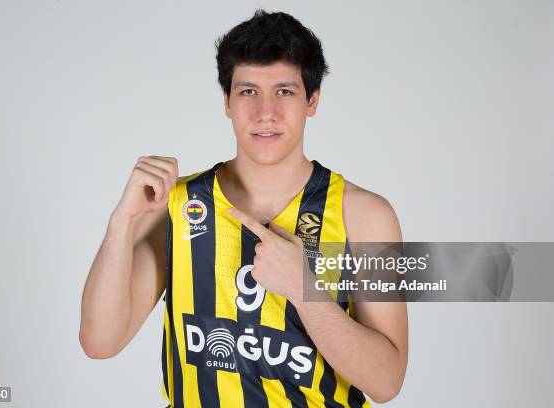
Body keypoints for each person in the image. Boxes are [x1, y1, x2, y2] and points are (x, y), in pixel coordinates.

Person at [79, 9, 408, 407]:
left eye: (284, 91)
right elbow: (99, 342)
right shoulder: (177, 204)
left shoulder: (366, 217)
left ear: (312, 101)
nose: (265, 112)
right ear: (227, 102)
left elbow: (387, 382)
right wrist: (122, 222)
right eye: (248, 91)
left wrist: (305, 292)